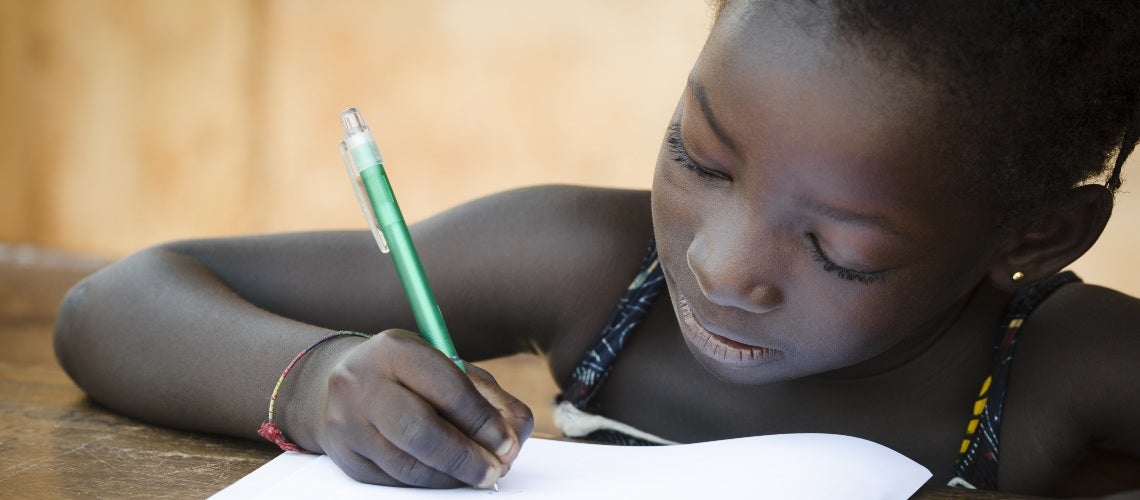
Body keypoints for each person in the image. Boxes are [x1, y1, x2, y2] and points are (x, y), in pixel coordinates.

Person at [54, 0, 1140, 496]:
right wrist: (316, 379)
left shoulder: (1053, 361)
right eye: (701, 159)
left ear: (1035, 239)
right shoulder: (588, 261)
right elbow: (114, 303)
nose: (718, 263)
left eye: (837, 246)